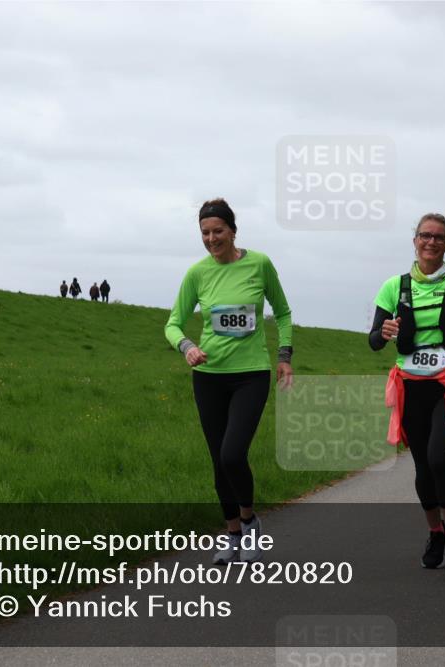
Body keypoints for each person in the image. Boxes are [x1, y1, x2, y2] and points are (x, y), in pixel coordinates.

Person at [165, 198, 293, 565]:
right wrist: (187, 346)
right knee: (217, 461)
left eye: (218, 231)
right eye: (204, 232)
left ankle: (250, 522)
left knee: (232, 453)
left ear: (233, 231)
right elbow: (172, 323)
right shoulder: (197, 273)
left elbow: (282, 312)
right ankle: (232, 535)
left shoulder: (259, 264)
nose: (211, 238)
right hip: (208, 377)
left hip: (251, 374)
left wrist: (284, 356)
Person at [369, 213, 445, 571]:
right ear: (415, 241)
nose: (431, 242)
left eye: (438, 237)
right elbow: (374, 340)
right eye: (425, 236)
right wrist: (385, 331)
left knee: (440, 459)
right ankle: (435, 532)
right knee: (422, 464)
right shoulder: (394, 286)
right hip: (410, 386)